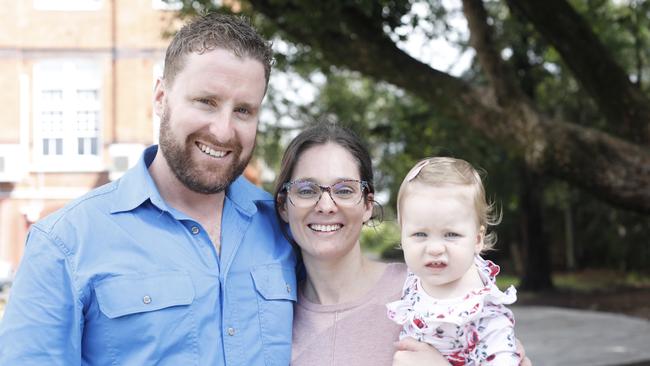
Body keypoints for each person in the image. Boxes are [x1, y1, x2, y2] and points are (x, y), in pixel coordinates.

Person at [0, 13, 296, 365]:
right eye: (206, 101)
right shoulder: (65, 241)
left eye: (244, 110)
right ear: (161, 98)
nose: (222, 130)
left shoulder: (286, 227)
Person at [274, 123, 530, 366]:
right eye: (306, 190)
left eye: (344, 190)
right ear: (283, 205)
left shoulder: (435, 292)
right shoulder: (269, 315)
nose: (326, 205)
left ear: (368, 206)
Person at [386, 157, 519, 365]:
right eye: (420, 234)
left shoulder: (483, 310)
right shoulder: (412, 279)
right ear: (402, 236)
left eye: (451, 235)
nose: (435, 248)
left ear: (477, 240)